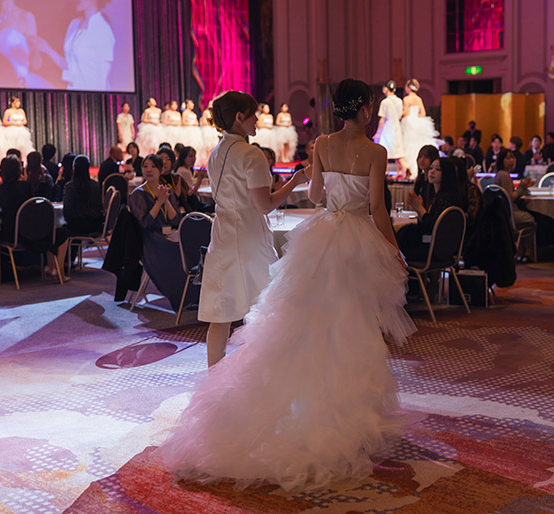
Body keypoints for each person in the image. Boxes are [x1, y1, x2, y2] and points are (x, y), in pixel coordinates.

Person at [154, 78, 414, 492]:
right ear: (365, 108)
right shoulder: (376, 152)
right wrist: (394, 250)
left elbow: (316, 195)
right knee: (353, 324)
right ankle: (345, 412)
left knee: (306, 321)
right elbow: (378, 208)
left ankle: (291, 402)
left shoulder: (323, 144)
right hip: (357, 238)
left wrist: (327, 191)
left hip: (322, 234)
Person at [195, 90, 309, 369]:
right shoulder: (251, 154)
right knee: (267, 305)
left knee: (221, 314)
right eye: (253, 114)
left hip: (222, 235)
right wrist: (294, 181)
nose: (257, 119)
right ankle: (266, 372)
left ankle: (214, 376)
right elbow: (265, 205)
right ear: (239, 117)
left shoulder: (215, 153)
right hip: (248, 237)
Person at [0, 156, 69, 278]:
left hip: (10, 235)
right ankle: (58, 270)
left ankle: (51, 268)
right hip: (30, 234)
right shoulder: (25, 187)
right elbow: (32, 210)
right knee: (61, 233)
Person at [128, 153, 185, 309]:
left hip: (166, 235)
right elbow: (145, 223)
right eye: (145, 166)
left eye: (153, 166)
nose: (148, 170)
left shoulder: (167, 191)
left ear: (161, 170)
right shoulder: (138, 194)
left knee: (190, 247)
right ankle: (180, 296)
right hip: (149, 240)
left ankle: (191, 295)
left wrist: (165, 201)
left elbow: (176, 220)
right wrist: (159, 202)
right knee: (179, 252)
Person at [32, 0, 115, 91]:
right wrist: (47, 49)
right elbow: (69, 65)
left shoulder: (103, 29)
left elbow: (103, 79)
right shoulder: (74, 24)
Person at [399, 157, 464, 263]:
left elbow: (433, 228)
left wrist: (419, 208)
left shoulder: (447, 198)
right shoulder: (438, 196)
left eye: (438, 169)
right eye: (431, 168)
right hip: (436, 248)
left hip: (436, 250)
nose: (432, 171)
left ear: (447, 174)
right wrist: (419, 208)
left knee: (399, 245)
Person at [494, 149, 535, 260]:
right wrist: (522, 187)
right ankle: (528, 251)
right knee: (531, 219)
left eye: (512, 157)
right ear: (501, 160)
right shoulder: (504, 175)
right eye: (508, 158)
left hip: (502, 213)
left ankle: (521, 250)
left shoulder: (499, 174)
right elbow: (510, 197)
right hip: (509, 214)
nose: (511, 161)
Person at [400, 79, 440, 180]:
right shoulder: (419, 99)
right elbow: (423, 113)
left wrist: (399, 114)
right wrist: (416, 118)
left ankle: (409, 170)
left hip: (408, 123)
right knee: (418, 144)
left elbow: (405, 112)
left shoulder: (406, 99)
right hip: (418, 123)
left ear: (408, 88)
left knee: (408, 145)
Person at [63, 154, 104, 236]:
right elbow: (99, 207)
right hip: (95, 225)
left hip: (75, 226)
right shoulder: (95, 185)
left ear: (74, 168)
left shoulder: (69, 187)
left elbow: (67, 210)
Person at [373, 80, 406, 177]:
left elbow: (382, 118)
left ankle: (385, 173)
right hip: (396, 127)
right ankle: (403, 172)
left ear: (385, 89)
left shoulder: (385, 102)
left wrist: (378, 132)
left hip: (387, 129)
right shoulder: (399, 101)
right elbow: (400, 116)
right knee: (398, 153)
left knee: (384, 152)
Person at [412, 145, 440, 210]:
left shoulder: (435, 180)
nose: (422, 160)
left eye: (426, 157)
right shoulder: (420, 179)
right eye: (420, 157)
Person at [198, 100, 219, 166]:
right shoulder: (206, 112)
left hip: (213, 130)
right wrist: (211, 124)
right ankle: (207, 161)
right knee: (207, 146)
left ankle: (213, 160)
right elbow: (203, 121)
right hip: (207, 130)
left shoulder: (214, 112)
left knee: (213, 146)